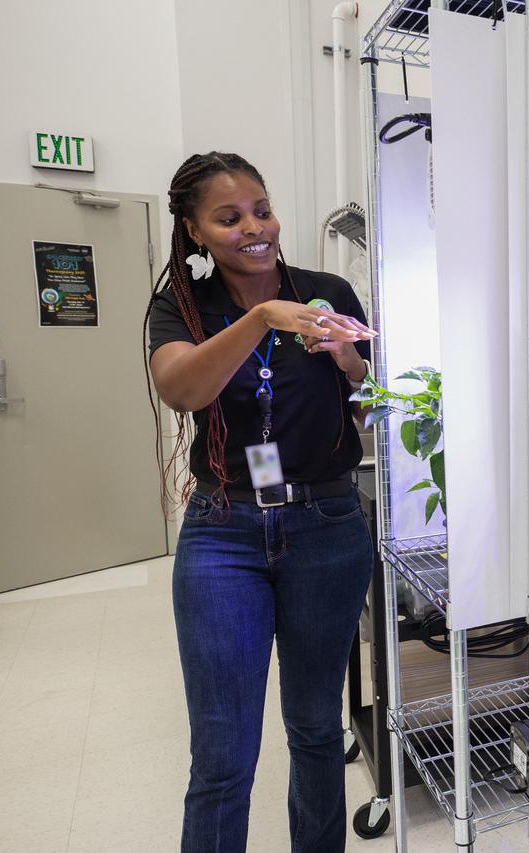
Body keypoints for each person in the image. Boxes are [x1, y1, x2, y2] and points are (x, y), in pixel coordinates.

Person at [144, 151, 378, 853]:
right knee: (222, 753)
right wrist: (260, 320)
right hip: (224, 533)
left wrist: (350, 363)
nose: (255, 227)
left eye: (262, 209)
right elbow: (182, 388)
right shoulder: (182, 306)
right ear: (195, 231)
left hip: (327, 525)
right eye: (230, 217)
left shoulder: (329, 290)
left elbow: (369, 410)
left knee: (313, 729)